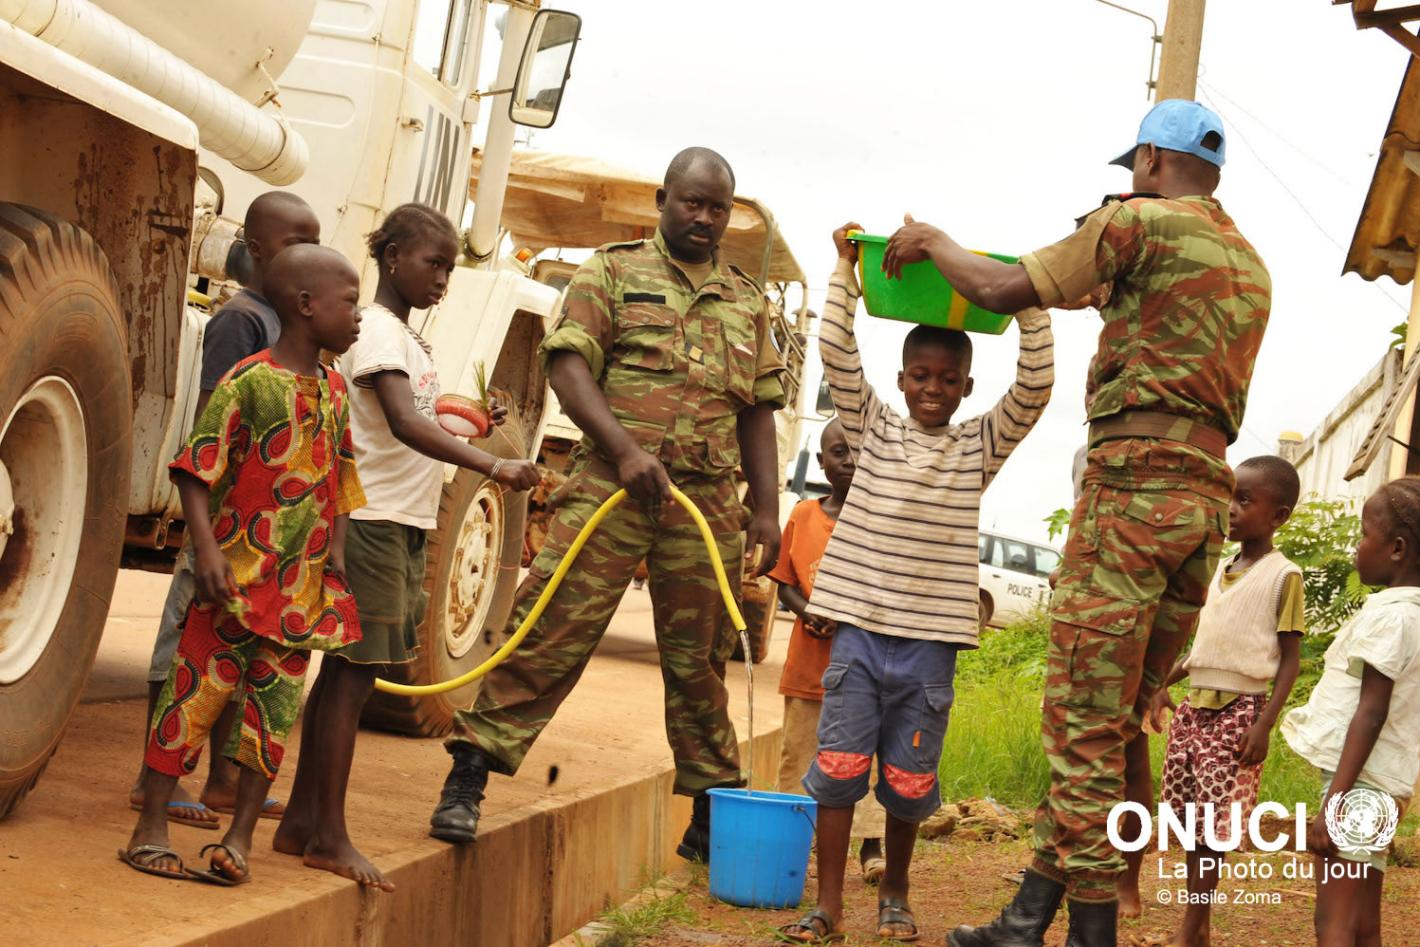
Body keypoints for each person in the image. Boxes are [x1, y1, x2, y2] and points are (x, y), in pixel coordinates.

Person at [916, 100, 1271, 947]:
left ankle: (1092, 933)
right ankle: (1027, 917)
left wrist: (931, 241)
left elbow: (998, 287)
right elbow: (1132, 307)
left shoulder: (1134, 222)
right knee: (1107, 726)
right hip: (1202, 506)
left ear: (1150, 159)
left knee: (1081, 724)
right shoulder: (1250, 263)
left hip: (1133, 495)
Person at [427, 147, 786, 859]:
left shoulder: (747, 302)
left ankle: (710, 814)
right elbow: (567, 367)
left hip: (704, 504)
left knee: (700, 659)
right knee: (550, 630)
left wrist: (768, 511)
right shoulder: (612, 271)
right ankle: (469, 776)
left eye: (717, 208)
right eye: (692, 202)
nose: (704, 218)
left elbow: (758, 412)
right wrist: (624, 450)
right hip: (611, 488)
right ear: (664, 200)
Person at [780, 223, 1053, 943]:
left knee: (907, 781)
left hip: (929, 651)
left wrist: (1029, 296)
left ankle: (895, 895)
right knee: (838, 770)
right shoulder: (871, 431)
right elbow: (836, 350)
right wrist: (845, 271)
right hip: (860, 639)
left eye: (947, 379)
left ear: (967, 387)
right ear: (901, 380)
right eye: (920, 376)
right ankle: (828, 905)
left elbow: (1035, 386)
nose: (933, 389)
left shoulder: (978, 446)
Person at [273, 204, 539, 891]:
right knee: (351, 680)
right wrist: (493, 464)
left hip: (398, 521)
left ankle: (301, 822)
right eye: (434, 263)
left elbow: (418, 413)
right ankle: (328, 835)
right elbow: (400, 421)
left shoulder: (408, 339)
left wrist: (474, 420)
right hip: (373, 521)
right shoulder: (380, 332)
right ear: (392, 258)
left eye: (450, 267)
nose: (443, 278)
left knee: (345, 678)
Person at [119, 245, 365, 885]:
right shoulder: (249, 381)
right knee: (192, 699)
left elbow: (340, 477)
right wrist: (205, 551)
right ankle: (150, 827)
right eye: (349, 302)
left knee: (271, 716)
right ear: (307, 306)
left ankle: (239, 840)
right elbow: (194, 469)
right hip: (232, 583)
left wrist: (335, 555)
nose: (358, 316)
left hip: (298, 597)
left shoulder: (336, 389)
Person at [128, 192, 322, 829]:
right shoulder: (242, 320)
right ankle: (154, 777)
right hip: (224, 519)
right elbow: (215, 423)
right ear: (258, 250)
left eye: (316, 240)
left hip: (262, 530)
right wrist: (210, 525)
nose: (309, 253)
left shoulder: (288, 325)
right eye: (296, 242)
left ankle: (221, 779)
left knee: (239, 646)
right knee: (186, 640)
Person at [1145, 455, 1305, 946]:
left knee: (1215, 827)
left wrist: (1265, 725)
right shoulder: (1219, 570)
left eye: (1245, 500)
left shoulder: (1283, 576)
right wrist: (1162, 683)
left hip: (1241, 713)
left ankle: (1192, 926)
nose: (1230, 509)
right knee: (1189, 819)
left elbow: (1290, 662)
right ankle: (1197, 927)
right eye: (1229, 497)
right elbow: (1204, 649)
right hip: (1194, 711)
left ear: (1278, 516)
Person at [1281, 478, 1420, 947]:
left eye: (1364, 534)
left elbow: (1371, 712)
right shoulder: (1413, 616)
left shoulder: (1390, 617)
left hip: (1359, 784)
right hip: (1386, 783)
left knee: (1334, 923)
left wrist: (1335, 803)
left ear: (1397, 548)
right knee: (1363, 923)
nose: (1357, 546)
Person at [770, 418, 888, 884]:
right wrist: (809, 613)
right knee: (798, 754)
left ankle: (871, 846)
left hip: (863, 670)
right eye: (840, 452)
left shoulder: (880, 522)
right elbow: (784, 584)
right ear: (822, 461)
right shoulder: (803, 516)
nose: (851, 461)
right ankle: (791, 842)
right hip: (808, 668)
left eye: (859, 451)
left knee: (864, 760)